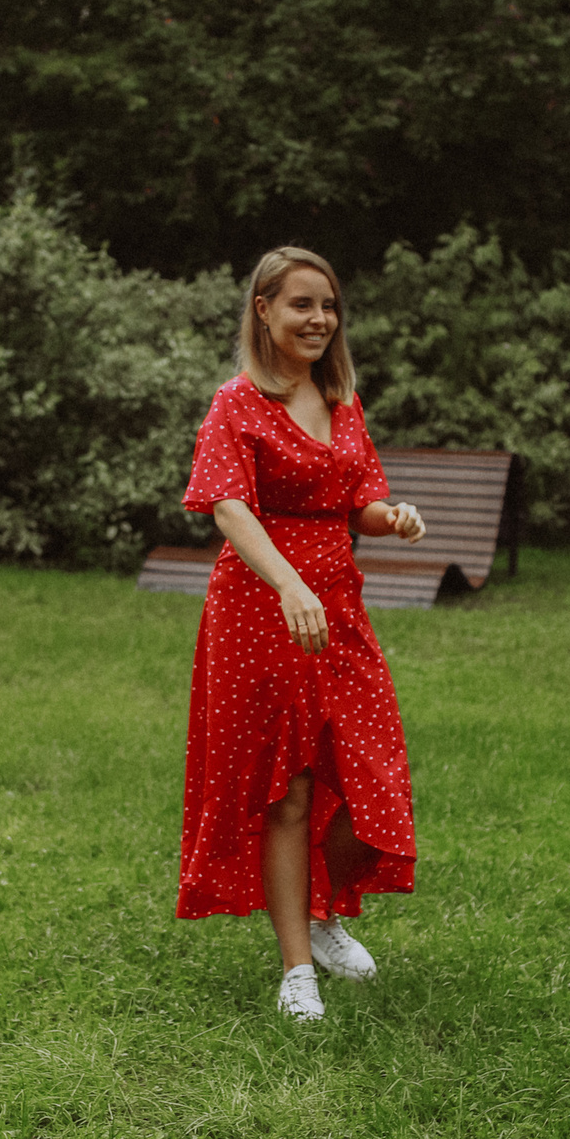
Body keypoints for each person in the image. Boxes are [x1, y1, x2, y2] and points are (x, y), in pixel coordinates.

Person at [176, 247, 427, 1021]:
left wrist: (392, 516)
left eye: (328, 306)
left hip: (339, 607)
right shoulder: (236, 403)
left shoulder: (341, 397)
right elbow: (227, 507)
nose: (319, 319)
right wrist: (288, 583)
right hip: (261, 608)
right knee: (285, 791)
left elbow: (360, 498)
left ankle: (321, 914)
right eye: (301, 305)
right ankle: (297, 969)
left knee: (367, 772)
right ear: (263, 309)